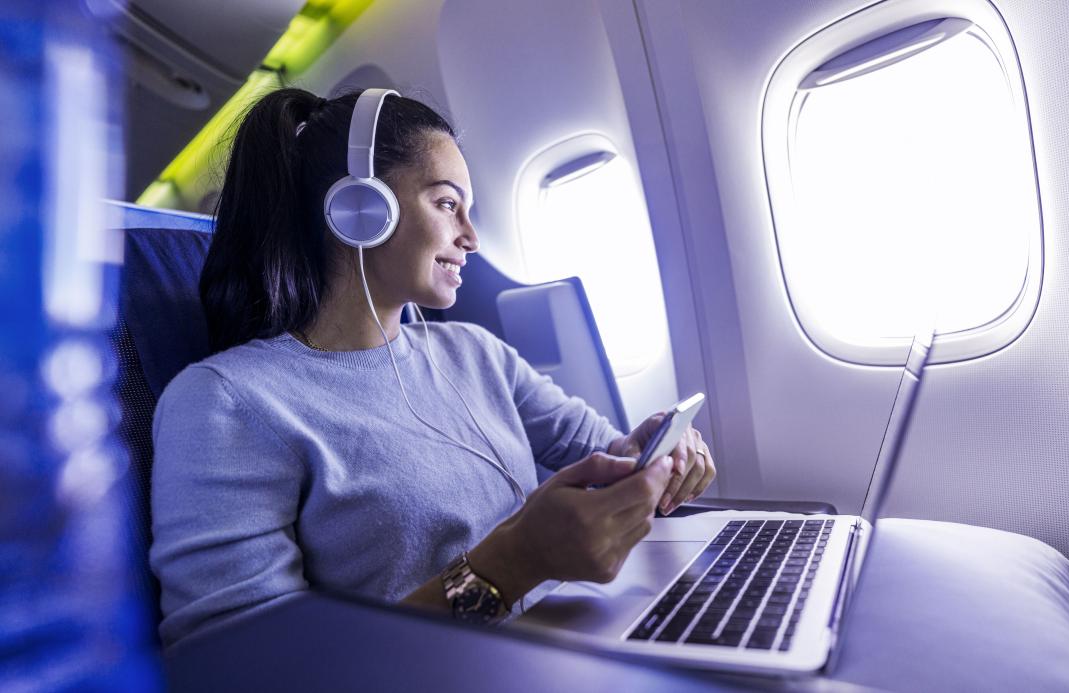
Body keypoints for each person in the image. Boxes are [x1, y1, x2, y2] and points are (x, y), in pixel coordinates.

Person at [149, 87, 717, 647]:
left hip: (558, 645)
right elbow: (234, 665)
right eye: (448, 203)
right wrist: (514, 563)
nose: (470, 237)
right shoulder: (226, 401)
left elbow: (602, 453)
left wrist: (655, 457)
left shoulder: (475, 352)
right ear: (359, 208)